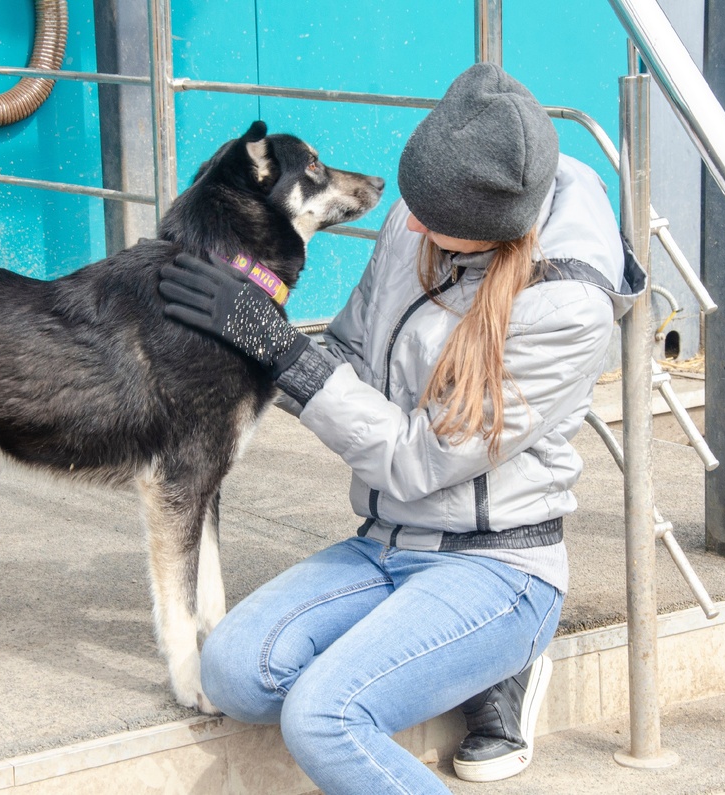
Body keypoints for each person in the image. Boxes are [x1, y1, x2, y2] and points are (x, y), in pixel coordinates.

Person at [159, 62, 642, 794]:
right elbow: (350, 350)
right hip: (384, 545)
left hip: (497, 568)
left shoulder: (566, 306)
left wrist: (282, 350)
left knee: (324, 716)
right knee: (234, 670)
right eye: (412, 200)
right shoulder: (421, 216)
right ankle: (437, 658)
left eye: (428, 215)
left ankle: (497, 654)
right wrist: (251, 351)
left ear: (487, 231)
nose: (405, 218)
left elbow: (419, 461)